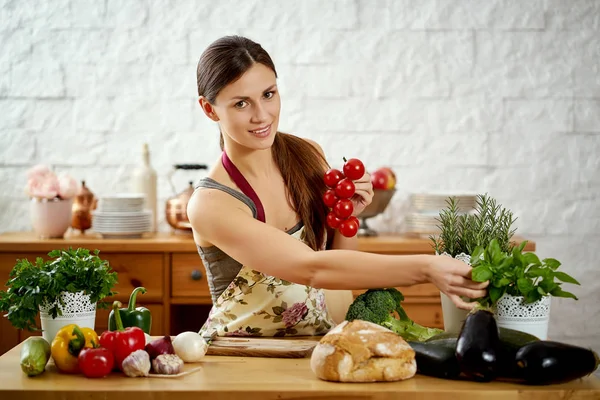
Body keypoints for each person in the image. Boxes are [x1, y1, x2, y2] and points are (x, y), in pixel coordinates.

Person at [187, 35, 488, 338]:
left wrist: (347, 218)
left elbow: (338, 273)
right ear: (210, 109)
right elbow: (312, 269)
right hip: (237, 358)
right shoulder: (212, 203)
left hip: (311, 348)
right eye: (241, 103)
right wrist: (426, 268)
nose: (262, 115)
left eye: (269, 94)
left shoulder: (306, 155)